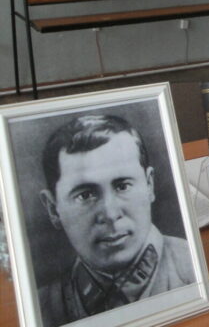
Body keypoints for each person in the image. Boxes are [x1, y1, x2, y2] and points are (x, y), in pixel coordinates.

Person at [37, 115, 194, 325]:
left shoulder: (195, 272)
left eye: (123, 186)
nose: (110, 214)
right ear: (53, 208)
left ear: (149, 185)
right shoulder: (40, 310)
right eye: (85, 195)